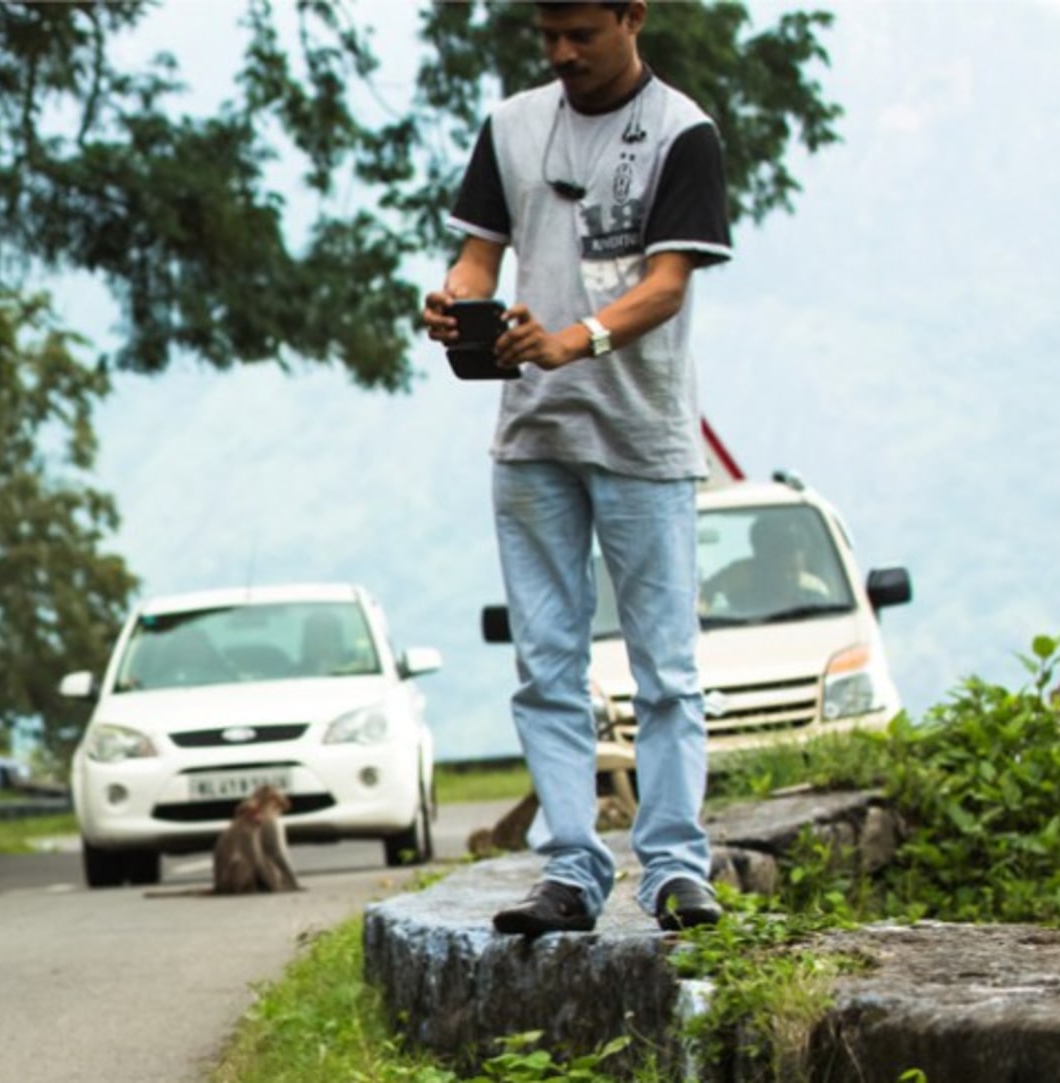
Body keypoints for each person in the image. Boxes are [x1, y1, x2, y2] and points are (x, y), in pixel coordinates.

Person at [422, 1, 732, 934]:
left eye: (581, 35)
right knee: (545, 663)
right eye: (547, 36)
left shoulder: (684, 133)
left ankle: (676, 865)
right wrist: (456, 303)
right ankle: (570, 867)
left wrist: (574, 341)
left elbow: (667, 283)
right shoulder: (513, 125)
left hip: (642, 439)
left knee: (664, 667)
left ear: (632, 17)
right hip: (532, 439)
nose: (561, 53)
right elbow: (480, 257)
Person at [701, 514, 833, 616]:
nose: (788, 577)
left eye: (793, 570)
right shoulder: (737, 580)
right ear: (762, 559)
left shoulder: (814, 592)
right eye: (780, 570)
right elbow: (704, 598)